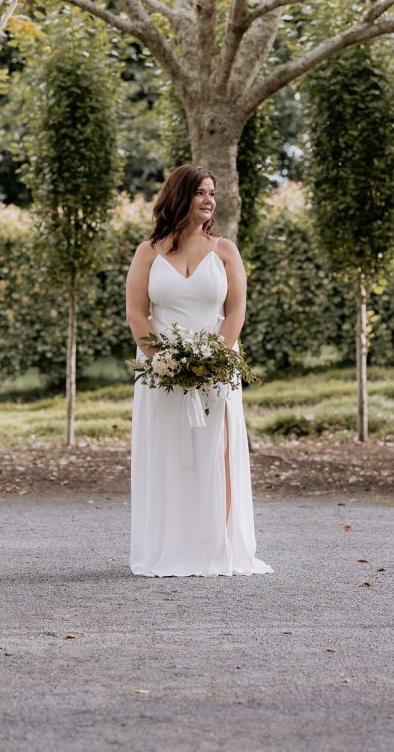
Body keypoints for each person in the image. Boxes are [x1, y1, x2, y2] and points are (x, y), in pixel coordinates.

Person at [126, 164, 272, 577]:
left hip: (217, 366)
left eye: (212, 193)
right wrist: (161, 360)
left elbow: (236, 309)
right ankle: (167, 548)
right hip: (161, 372)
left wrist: (215, 360)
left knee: (216, 450)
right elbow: (137, 313)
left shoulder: (225, 250)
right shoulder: (147, 253)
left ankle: (218, 548)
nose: (209, 200)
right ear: (180, 196)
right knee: (168, 453)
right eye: (200, 193)